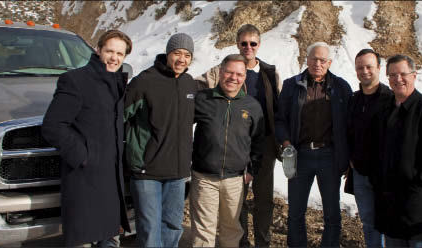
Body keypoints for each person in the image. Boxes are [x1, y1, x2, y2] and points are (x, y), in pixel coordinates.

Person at [41, 30, 132, 247]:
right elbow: (53, 126)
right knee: (84, 238)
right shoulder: (75, 80)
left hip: (111, 180)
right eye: (110, 51)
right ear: (98, 50)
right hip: (85, 179)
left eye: (120, 54)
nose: (114, 58)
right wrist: (83, 155)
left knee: (109, 238)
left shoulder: (118, 83)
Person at [197, 24, 281, 247]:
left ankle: (263, 242)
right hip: (233, 145)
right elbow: (197, 86)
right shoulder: (222, 70)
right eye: (244, 43)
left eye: (253, 43)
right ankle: (240, 242)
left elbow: (278, 108)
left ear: (259, 45)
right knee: (236, 200)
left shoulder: (269, 72)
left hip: (263, 145)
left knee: (263, 199)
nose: (248, 47)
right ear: (237, 43)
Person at [369, 54, 422, 247]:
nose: (398, 79)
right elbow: (375, 151)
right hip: (388, 205)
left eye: (403, 74)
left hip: (416, 207)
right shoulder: (383, 111)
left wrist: (419, 188)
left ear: (414, 75)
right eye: (392, 75)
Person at [275, 42, 352, 247]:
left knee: (332, 214)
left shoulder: (341, 87)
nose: (318, 63)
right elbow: (280, 119)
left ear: (329, 62)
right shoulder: (292, 85)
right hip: (300, 156)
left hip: (329, 156)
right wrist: (286, 142)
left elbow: (350, 124)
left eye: (322, 60)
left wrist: (346, 156)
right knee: (296, 213)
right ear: (306, 59)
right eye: (314, 59)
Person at [123, 33, 197, 247]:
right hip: (148, 171)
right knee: (149, 230)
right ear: (167, 53)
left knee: (173, 226)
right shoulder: (145, 81)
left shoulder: (188, 83)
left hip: (177, 172)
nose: (181, 59)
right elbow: (119, 117)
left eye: (187, 55)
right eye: (177, 53)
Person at [190, 54, 265, 247]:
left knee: (231, 229)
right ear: (220, 72)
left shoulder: (252, 106)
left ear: (245, 77)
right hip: (204, 176)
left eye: (239, 74)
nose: (233, 78)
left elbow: (258, 142)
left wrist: (252, 170)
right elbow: (179, 126)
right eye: (229, 72)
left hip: (234, 179)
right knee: (203, 230)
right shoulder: (202, 99)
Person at [346, 48, 392, 247]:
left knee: (388, 221)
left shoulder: (390, 99)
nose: (364, 71)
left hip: (384, 176)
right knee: (367, 222)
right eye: (360, 67)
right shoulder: (354, 100)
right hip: (360, 174)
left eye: (369, 67)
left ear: (379, 68)